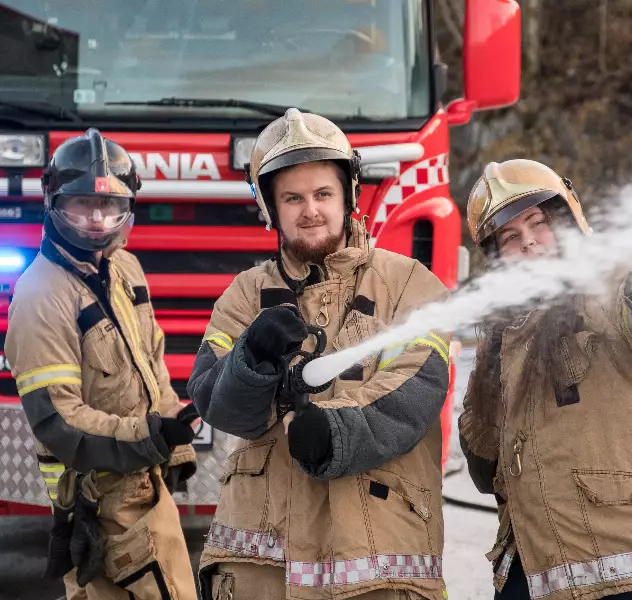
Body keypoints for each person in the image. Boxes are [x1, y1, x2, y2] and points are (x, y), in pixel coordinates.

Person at [188, 108, 451, 600]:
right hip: (261, 574)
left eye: (323, 194)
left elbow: (415, 392)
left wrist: (333, 432)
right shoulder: (245, 295)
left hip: (375, 574)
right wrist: (252, 358)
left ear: (348, 195)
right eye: (293, 198)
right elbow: (216, 403)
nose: (310, 210)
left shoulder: (410, 284)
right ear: (271, 209)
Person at [458, 159, 632, 600]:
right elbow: (486, 470)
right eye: (510, 237)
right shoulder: (503, 339)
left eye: (538, 223)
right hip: (540, 572)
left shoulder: (612, 282)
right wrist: (486, 384)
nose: (529, 242)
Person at [5, 128, 200, 600]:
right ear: (53, 201)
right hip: (98, 499)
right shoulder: (40, 294)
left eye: (110, 206)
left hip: (145, 486)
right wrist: (150, 437)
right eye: (82, 205)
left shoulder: (125, 268)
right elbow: (59, 422)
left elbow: (152, 364)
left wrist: (174, 441)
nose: (97, 220)